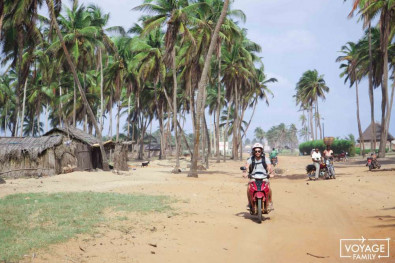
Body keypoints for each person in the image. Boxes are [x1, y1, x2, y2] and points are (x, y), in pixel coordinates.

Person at [242, 143, 274, 212]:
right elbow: (246, 166)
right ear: (253, 152)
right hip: (253, 177)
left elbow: (269, 167)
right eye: (256, 151)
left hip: (264, 177)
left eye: (259, 151)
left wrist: (271, 173)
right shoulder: (251, 159)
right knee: (249, 188)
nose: (257, 153)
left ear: (261, 151)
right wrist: (244, 172)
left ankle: (270, 202)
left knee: (269, 188)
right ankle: (249, 203)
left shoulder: (266, 159)